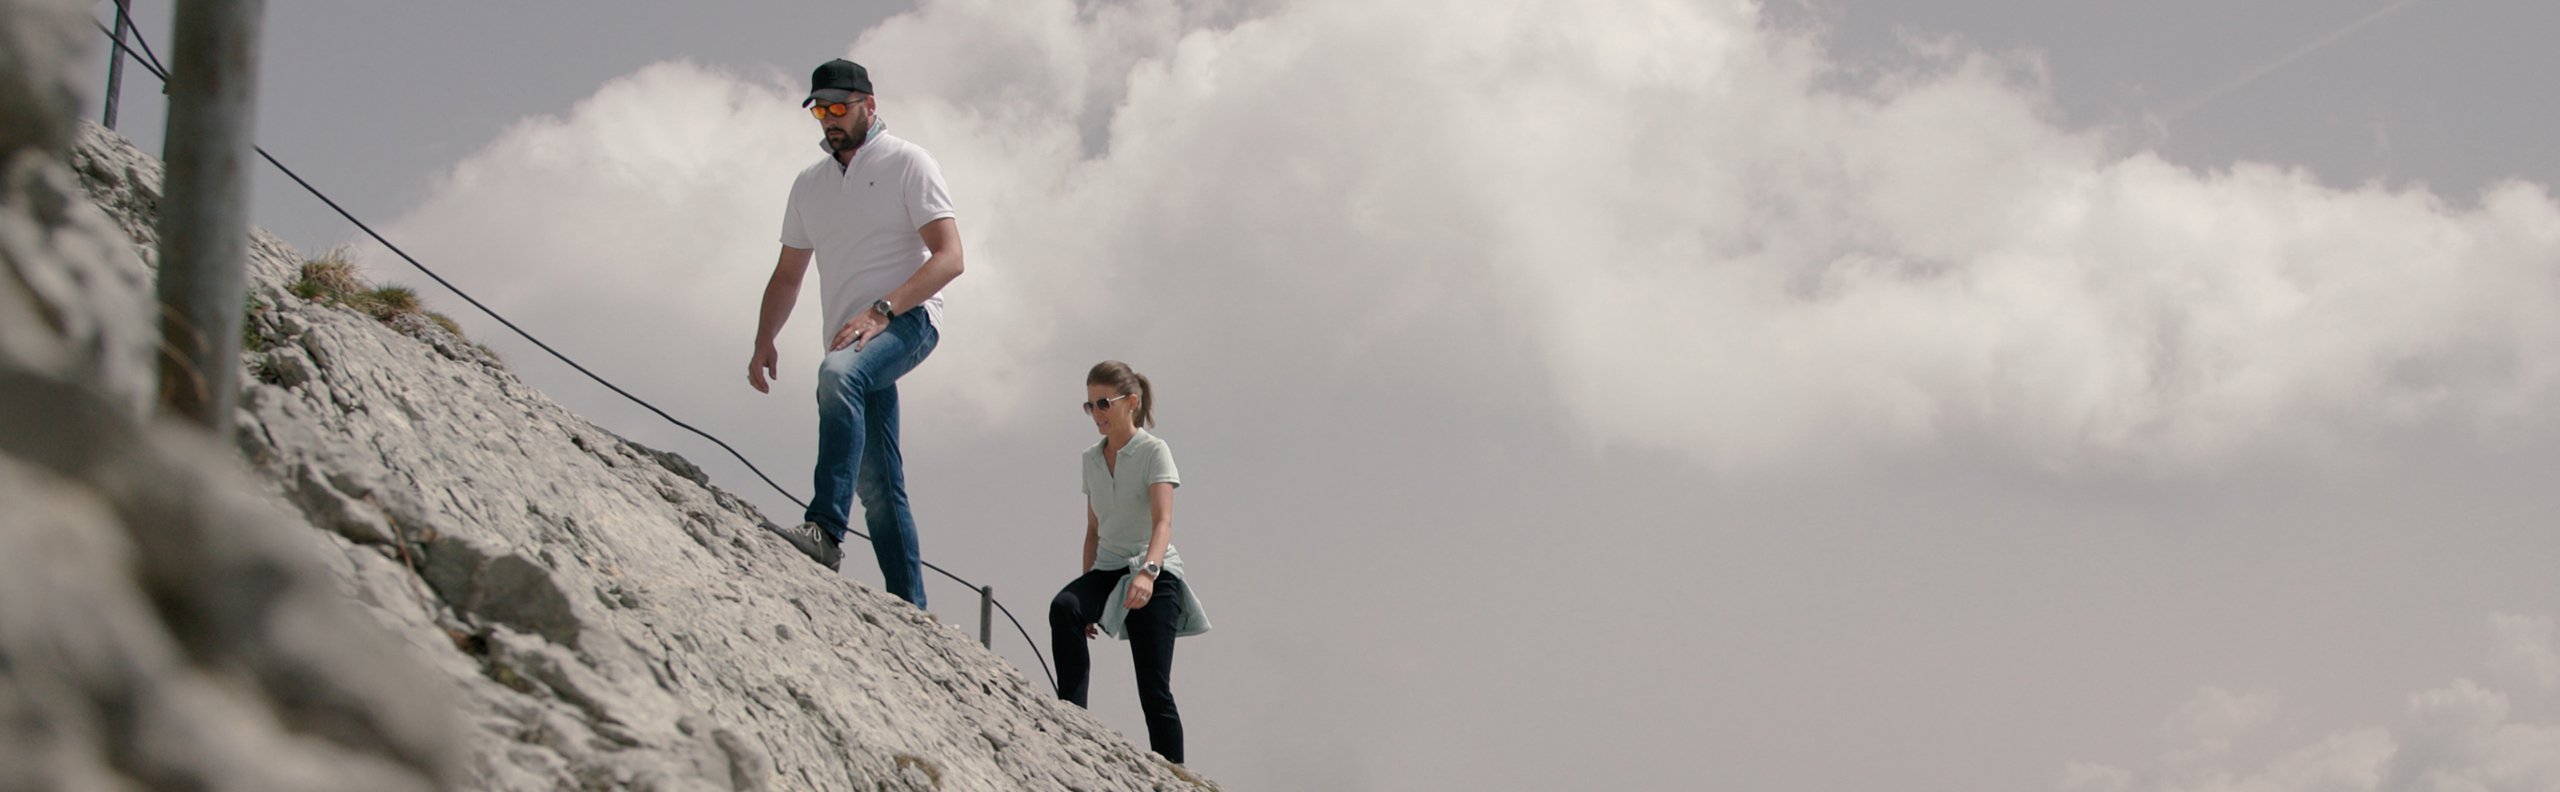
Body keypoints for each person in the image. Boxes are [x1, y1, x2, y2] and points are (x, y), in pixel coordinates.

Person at [747, 59, 963, 608]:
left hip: (907, 321)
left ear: (870, 103)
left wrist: (883, 311)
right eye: (820, 109)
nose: (829, 119)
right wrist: (763, 340)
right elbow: (787, 274)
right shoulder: (809, 185)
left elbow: (951, 257)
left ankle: (823, 532)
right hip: (851, 339)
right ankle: (912, 610)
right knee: (880, 488)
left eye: (839, 107)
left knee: (836, 375)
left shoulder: (907, 162)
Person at [1049, 361, 1211, 764]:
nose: (1097, 413)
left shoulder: (1154, 450)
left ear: (1131, 402)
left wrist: (1148, 574)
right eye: (1090, 406)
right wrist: (1088, 598)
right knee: (1064, 608)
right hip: (1107, 568)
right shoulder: (1090, 458)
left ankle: (1175, 775)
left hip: (1153, 571)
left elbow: (1163, 522)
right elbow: (1093, 530)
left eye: (1103, 403)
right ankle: (1072, 719)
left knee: (1153, 689)